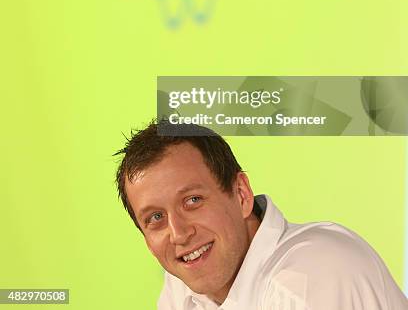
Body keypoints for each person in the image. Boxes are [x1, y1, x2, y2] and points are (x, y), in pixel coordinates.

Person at [114, 120, 408, 309]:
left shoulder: (308, 278)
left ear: (241, 194)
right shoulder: (183, 289)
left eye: (193, 200)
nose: (179, 234)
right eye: (155, 218)